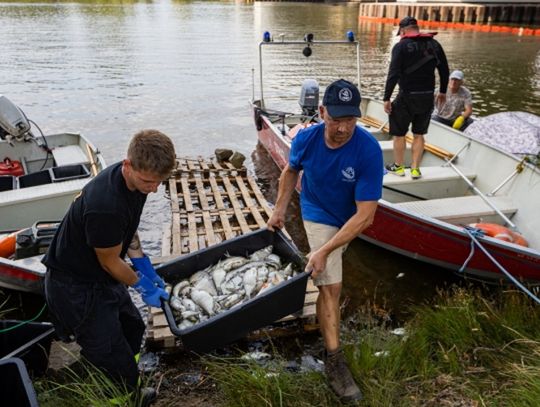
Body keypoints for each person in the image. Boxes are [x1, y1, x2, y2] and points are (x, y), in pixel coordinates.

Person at [267, 79, 383, 403]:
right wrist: (278, 210)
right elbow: (290, 171)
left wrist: (325, 250)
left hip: (350, 215)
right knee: (330, 285)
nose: (343, 128)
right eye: (336, 119)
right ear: (321, 112)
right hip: (316, 211)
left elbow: (366, 216)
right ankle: (334, 362)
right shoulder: (306, 138)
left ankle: (324, 262)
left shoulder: (368, 151)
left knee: (327, 262)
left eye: (350, 120)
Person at [43, 129, 176, 405]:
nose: (153, 189)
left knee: (132, 328)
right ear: (128, 165)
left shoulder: (135, 182)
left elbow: (127, 231)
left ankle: (120, 379)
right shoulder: (105, 205)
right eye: (148, 182)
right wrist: (141, 285)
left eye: (159, 182)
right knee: (112, 358)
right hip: (74, 287)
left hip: (100, 276)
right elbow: (110, 261)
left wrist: (142, 263)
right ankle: (122, 398)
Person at [383, 16, 449, 179]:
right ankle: (415, 169)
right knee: (419, 134)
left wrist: (387, 98)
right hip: (427, 97)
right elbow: (444, 70)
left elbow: (393, 74)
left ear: (403, 30)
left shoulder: (401, 46)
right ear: (417, 28)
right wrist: (442, 91)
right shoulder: (434, 44)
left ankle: (398, 167)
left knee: (399, 134)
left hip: (407, 96)